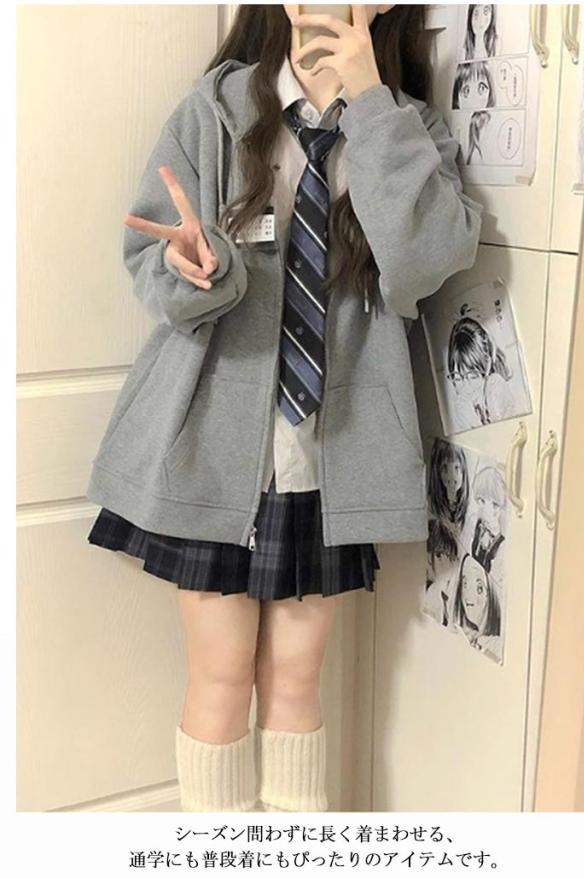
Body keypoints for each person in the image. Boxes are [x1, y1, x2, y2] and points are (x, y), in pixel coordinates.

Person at [85, 4, 482, 813]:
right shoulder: (216, 109)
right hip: (211, 444)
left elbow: (422, 264)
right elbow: (153, 259)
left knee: (298, 681)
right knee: (220, 677)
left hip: (329, 455)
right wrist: (196, 267)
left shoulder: (410, 129)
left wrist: (370, 102)